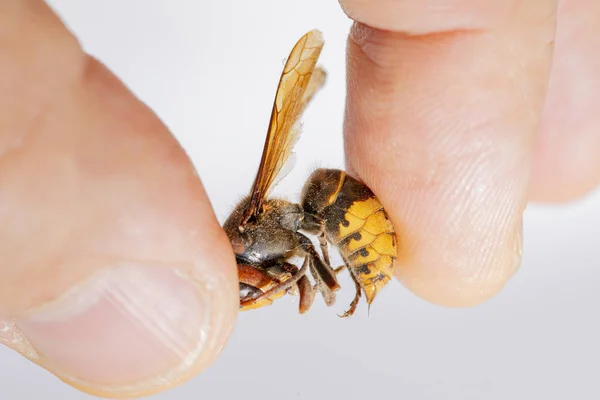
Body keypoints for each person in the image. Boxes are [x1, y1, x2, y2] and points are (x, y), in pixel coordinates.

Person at [1, 0, 597, 398]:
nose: (246, 288)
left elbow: (299, 257)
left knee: (338, 254)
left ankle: (350, 280)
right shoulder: (275, 244)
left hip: (336, 208)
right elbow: (295, 259)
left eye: (241, 280)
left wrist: (314, 277)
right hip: (324, 214)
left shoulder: (264, 231)